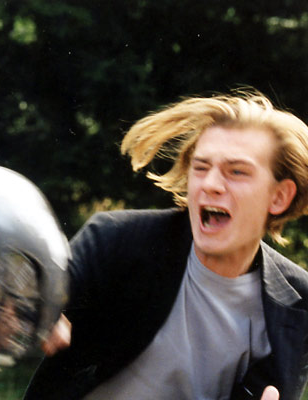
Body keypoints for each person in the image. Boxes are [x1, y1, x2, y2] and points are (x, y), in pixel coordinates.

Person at [24, 91, 308, 399]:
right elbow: (32, 295)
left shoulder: (298, 305)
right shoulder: (117, 239)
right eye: (201, 167)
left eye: (237, 171)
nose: (210, 184)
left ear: (279, 196)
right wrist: (32, 309)